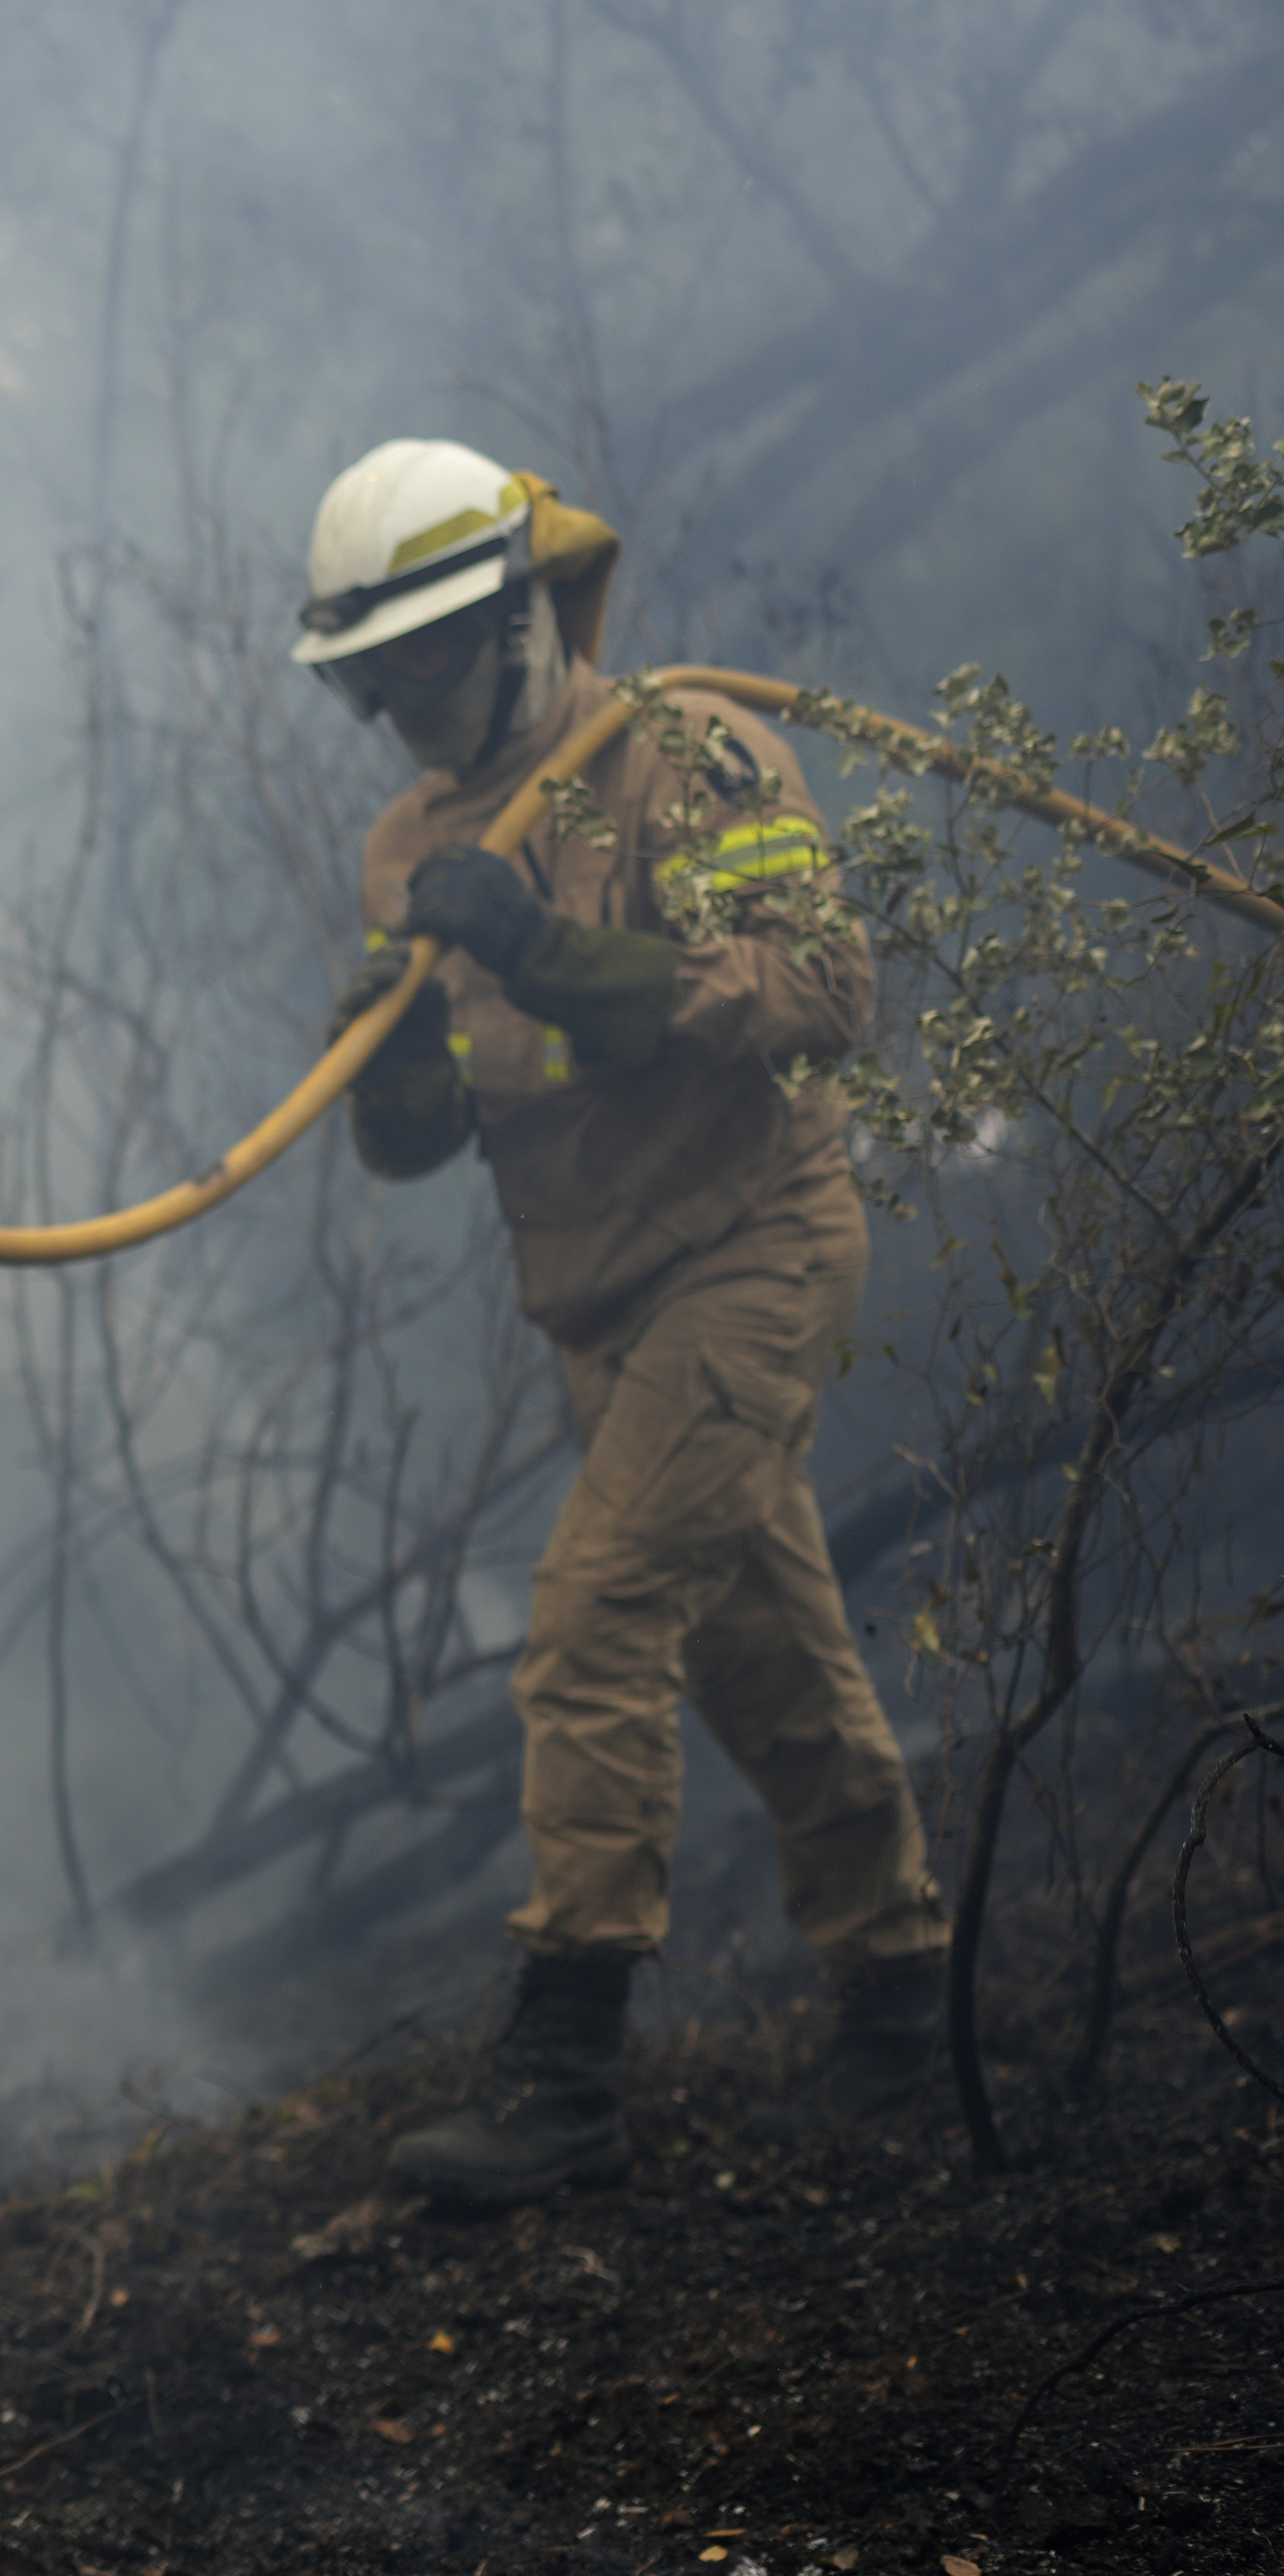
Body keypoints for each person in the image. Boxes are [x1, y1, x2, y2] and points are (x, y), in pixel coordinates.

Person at [290, 439, 951, 2208]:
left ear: (519, 616)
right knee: (762, 1655)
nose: (402, 706)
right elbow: (419, 1140)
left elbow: (824, 989)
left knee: (589, 1629)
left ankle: (567, 2070)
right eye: (371, 679)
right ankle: (905, 1999)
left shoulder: (686, 753)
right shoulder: (408, 849)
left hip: (752, 1250)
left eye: (426, 657)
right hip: (597, 1302)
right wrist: (396, 1059)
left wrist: (540, 950)